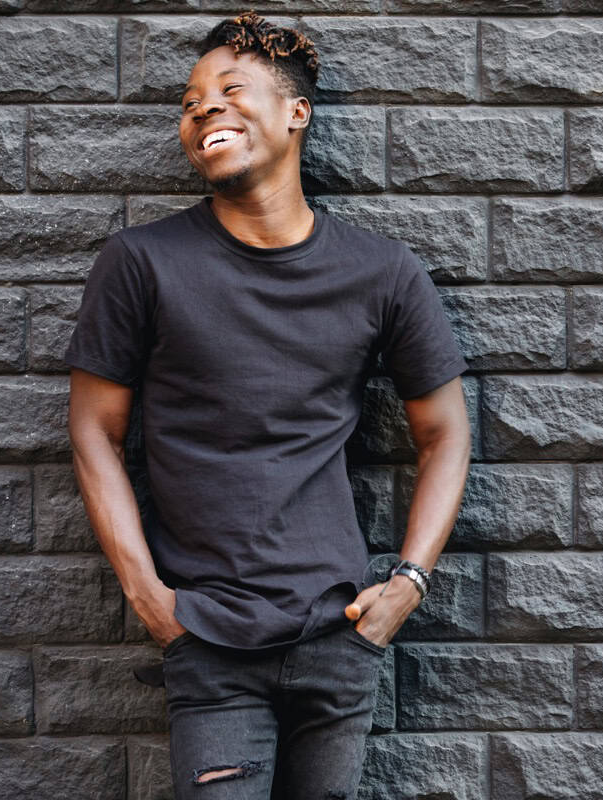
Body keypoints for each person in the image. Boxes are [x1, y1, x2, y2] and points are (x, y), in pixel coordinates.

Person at [64, 10, 472, 799]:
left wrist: (408, 584)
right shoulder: (142, 262)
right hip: (209, 640)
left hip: (340, 636)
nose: (204, 109)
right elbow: (93, 432)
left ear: (296, 112)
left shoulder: (381, 272)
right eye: (191, 102)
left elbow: (445, 432)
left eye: (229, 90)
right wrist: (149, 597)